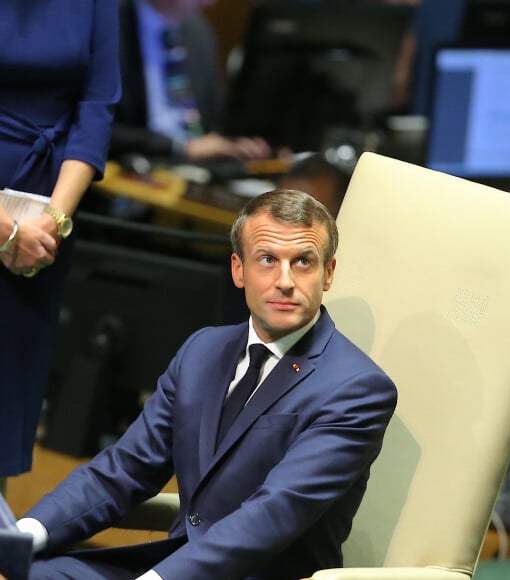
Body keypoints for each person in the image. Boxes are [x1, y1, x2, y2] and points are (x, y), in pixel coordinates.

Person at [18, 189, 397, 580]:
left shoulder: (358, 388)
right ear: (238, 269)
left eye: (303, 262)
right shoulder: (203, 350)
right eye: (267, 260)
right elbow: (124, 469)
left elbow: (271, 515)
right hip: (174, 566)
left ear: (328, 273)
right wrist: (23, 536)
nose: (285, 281)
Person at [0, 1, 121, 491]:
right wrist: (5, 229)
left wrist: (52, 220)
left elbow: (97, 108)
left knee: (5, 394)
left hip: (44, 216)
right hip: (13, 222)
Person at [111, 0, 273, 164]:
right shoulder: (105, 25)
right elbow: (97, 127)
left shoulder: (199, 31)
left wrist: (238, 142)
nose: (210, 3)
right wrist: (179, 147)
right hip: (134, 164)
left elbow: (216, 119)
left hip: (197, 167)